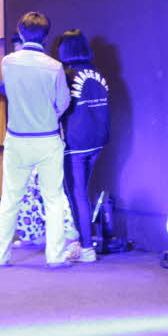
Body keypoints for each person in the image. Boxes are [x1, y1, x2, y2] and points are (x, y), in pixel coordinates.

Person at [0, 13, 73, 267]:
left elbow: (11, 91)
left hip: (17, 139)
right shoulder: (54, 66)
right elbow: (63, 102)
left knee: (10, 199)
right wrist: (49, 115)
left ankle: (1, 256)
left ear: (20, 33)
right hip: (47, 139)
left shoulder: (8, 62)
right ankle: (55, 257)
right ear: (47, 36)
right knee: (53, 199)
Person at [56, 30, 110, 263]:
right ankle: (81, 241)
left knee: (77, 194)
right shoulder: (97, 73)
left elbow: (60, 107)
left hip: (75, 142)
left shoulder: (67, 76)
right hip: (98, 142)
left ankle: (86, 247)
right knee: (81, 193)